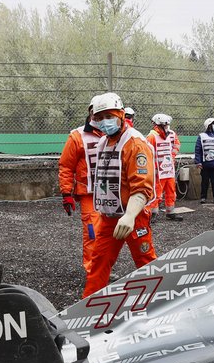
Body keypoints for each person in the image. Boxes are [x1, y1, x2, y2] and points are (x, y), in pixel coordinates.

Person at [83, 92, 157, 296]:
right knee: (98, 262)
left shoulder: (135, 143)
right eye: (99, 118)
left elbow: (142, 186)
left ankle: (159, 301)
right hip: (109, 216)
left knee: (146, 262)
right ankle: (88, 306)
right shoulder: (103, 142)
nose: (104, 122)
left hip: (134, 216)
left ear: (121, 114)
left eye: (109, 116)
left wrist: (131, 215)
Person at [57, 98, 105, 273]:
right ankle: (94, 271)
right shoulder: (77, 136)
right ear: (90, 112)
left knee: (111, 234)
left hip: (114, 194)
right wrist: (66, 193)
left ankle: (104, 267)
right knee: (93, 234)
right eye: (98, 113)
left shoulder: (118, 133)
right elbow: (66, 166)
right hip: (89, 195)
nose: (101, 117)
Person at [147, 113, 182, 221]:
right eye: (165, 125)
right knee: (157, 192)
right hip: (158, 171)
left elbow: (177, 144)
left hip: (169, 170)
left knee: (171, 191)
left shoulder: (171, 134)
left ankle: (170, 212)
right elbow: (148, 153)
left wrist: (172, 156)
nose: (167, 127)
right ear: (158, 125)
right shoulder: (151, 136)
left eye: (167, 125)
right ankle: (153, 213)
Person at [195, 117, 214, 203]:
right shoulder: (201, 136)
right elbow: (198, 150)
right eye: (213, 124)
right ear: (208, 126)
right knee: (204, 181)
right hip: (205, 163)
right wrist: (198, 162)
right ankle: (203, 197)